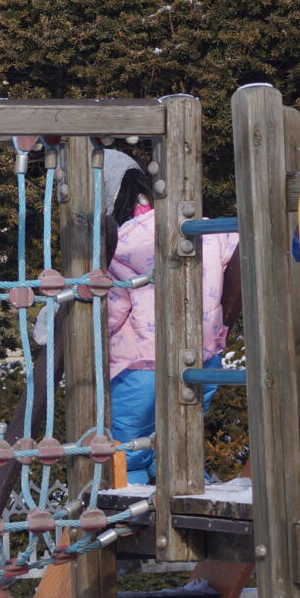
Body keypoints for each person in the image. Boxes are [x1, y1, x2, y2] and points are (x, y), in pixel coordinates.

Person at [99, 150, 241, 484]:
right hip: (202, 360)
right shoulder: (205, 231)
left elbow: (114, 310)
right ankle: (193, 487)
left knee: (130, 447)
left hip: (141, 367)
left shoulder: (121, 244)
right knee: (181, 440)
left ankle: (129, 500)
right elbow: (234, 257)